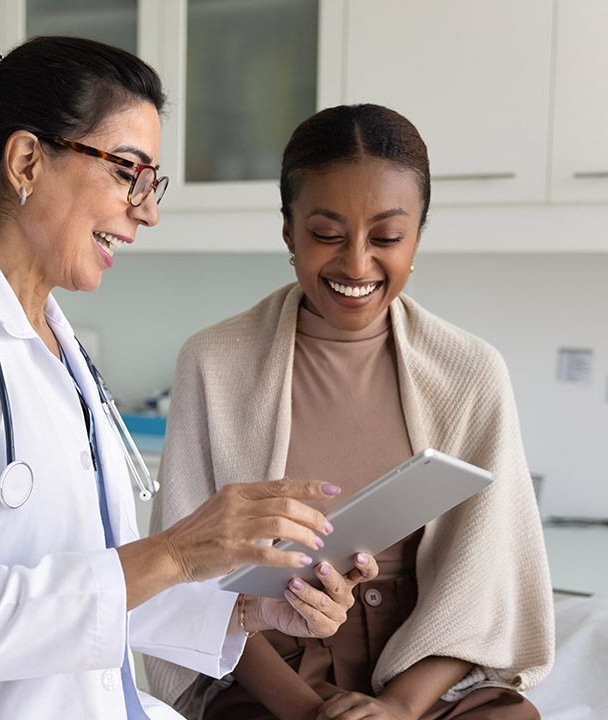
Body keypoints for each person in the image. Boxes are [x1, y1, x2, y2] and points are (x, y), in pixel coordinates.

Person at [0, 38, 379, 720]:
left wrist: (253, 610)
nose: (146, 211)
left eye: (152, 183)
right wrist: (176, 551)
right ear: (26, 161)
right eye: (127, 171)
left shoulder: (57, 344)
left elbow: (95, 586)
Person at [145, 104, 555, 720]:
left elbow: (487, 589)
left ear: (417, 235)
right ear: (288, 231)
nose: (357, 265)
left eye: (387, 237)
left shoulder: (472, 373)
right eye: (327, 234)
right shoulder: (214, 363)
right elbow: (188, 586)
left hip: (423, 667)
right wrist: (309, 711)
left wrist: (395, 707)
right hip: (269, 669)